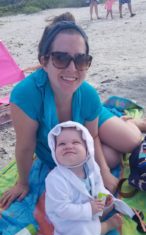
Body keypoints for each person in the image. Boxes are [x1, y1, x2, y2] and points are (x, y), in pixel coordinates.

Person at [0, 12, 145, 210]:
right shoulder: (26, 96)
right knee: (109, 158)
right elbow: (25, 146)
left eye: (81, 60)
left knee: (133, 142)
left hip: (90, 119)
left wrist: (102, 172)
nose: (72, 68)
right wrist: (22, 182)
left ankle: (130, 123)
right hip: (64, 141)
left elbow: (92, 136)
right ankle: (116, 126)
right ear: (44, 61)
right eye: (60, 58)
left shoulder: (88, 94)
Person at [45, 121, 135, 235]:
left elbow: (98, 185)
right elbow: (61, 209)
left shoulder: (91, 168)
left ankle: (98, 215)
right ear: (54, 151)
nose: (68, 146)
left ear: (87, 148)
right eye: (61, 144)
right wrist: (88, 209)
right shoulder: (55, 179)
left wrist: (103, 197)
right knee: (80, 230)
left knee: (109, 201)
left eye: (75, 142)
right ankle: (106, 226)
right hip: (68, 218)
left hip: (91, 204)